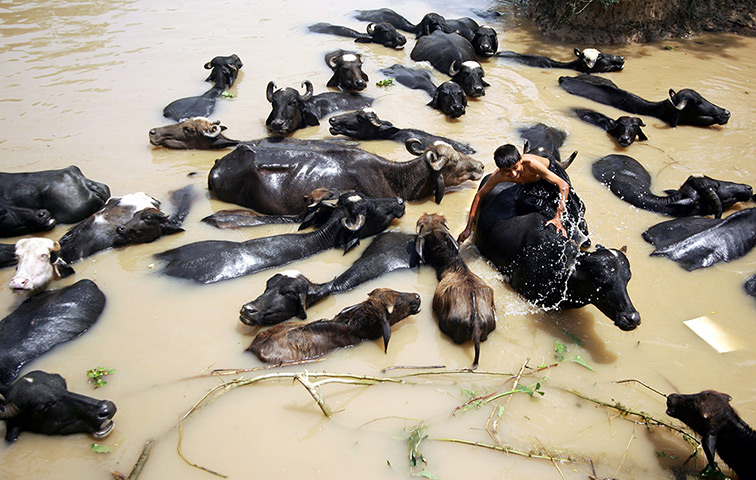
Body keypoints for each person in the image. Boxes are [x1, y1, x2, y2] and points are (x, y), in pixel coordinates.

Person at [457, 143, 571, 244]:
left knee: (569, 208)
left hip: (549, 178)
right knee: (523, 202)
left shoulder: (531, 164)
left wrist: (558, 217)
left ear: (520, 160)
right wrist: (468, 227)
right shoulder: (498, 176)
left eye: (515, 167)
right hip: (529, 183)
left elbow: (563, 185)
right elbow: (479, 196)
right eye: (507, 171)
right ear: (500, 170)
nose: (513, 173)